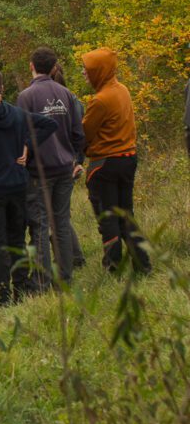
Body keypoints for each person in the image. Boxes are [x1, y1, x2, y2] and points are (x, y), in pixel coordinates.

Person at [0, 67, 57, 304]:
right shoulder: (18, 115)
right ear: (2, 88)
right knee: (17, 238)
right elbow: (49, 124)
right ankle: (20, 287)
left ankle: (2, 293)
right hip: (18, 185)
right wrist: (29, 143)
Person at [17, 48, 86, 287]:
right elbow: (78, 133)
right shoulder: (67, 94)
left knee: (40, 224)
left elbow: (23, 134)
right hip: (65, 167)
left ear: (31, 66)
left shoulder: (26, 97)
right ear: (55, 67)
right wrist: (78, 160)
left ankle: (42, 279)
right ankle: (65, 276)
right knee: (61, 223)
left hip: (40, 171)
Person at [81, 48, 151, 274]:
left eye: (88, 69)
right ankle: (143, 265)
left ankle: (113, 267)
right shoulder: (123, 90)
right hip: (128, 159)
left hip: (105, 165)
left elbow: (85, 134)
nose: (84, 73)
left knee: (108, 217)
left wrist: (86, 149)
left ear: (99, 71)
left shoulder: (100, 100)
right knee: (126, 214)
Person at [50, 63, 87, 268]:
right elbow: (79, 133)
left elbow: (78, 133)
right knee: (61, 214)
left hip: (61, 164)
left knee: (58, 216)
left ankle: (70, 258)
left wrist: (78, 161)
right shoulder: (72, 98)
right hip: (69, 161)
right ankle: (72, 256)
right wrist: (78, 160)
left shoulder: (66, 100)